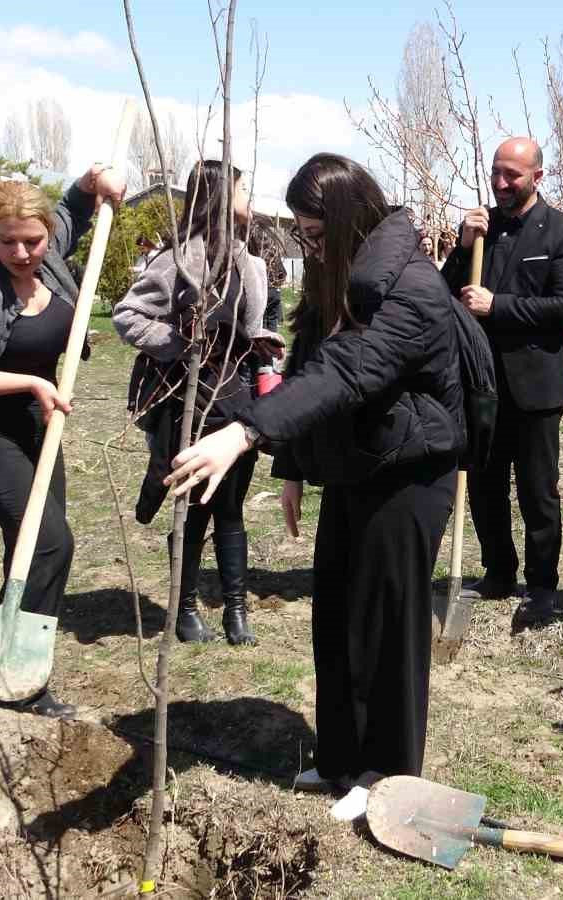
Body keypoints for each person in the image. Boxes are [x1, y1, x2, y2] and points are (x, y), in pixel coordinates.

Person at [166, 153, 462, 822]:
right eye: (303, 231)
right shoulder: (343, 276)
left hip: (412, 473)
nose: (308, 244)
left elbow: (351, 373)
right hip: (361, 461)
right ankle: (338, 757)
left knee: (387, 625)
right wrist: (293, 466)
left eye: (315, 231)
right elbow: (309, 361)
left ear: (351, 218)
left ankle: (386, 773)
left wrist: (245, 432)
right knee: (335, 612)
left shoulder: (411, 286)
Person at [0, 165, 127, 719]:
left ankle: (4, 672)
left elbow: (72, 209)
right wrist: (33, 381)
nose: (21, 252)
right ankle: (15, 682)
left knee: (30, 544)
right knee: (50, 542)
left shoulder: (49, 252)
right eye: (6, 241)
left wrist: (92, 181)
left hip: (39, 428)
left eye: (32, 241)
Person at [114, 160, 280, 646]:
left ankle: (236, 611)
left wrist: (263, 339)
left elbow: (251, 327)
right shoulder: (180, 259)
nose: (250, 194)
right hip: (190, 397)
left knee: (232, 507)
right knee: (193, 507)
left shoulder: (252, 261)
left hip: (238, 395)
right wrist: (183, 341)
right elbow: (127, 316)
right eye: (244, 187)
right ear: (223, 195)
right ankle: (184, 609)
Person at [439, 136, 563, 625]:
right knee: (484, 484)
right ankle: (499, 571)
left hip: (536, 386)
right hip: (480, 381)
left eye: (513, 176)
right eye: (496, 173)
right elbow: (442, 294)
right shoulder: (482, 228)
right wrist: (462, 248)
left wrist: (496, 306)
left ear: (537, 177)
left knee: (537, 490)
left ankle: (542, 585)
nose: (501, 184)